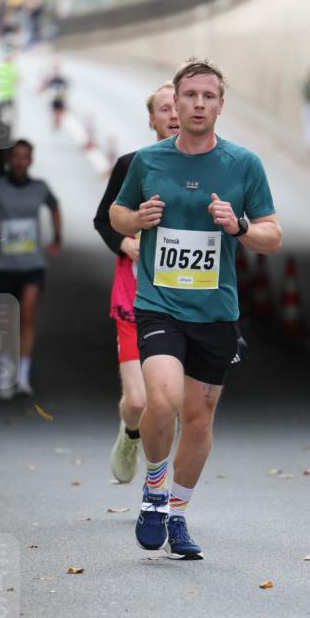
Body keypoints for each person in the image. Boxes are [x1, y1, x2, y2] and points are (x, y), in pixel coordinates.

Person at [109, 59, 282, 559]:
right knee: (160, 401)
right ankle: (154, 492)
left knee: (199, 418)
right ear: (176, 104)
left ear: (221, 106)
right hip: (159, 303)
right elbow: (117, 213)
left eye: (209, 96)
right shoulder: (148, 161)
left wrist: (239, 227)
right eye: (190, 96)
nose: (199, 104)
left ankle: (178, 515)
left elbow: (272, 235)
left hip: (216, 312)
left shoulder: (243, 164)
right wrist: (137, 217)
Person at [94, 82, 180, 484]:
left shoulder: (216, 165)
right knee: (138, 400)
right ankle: (130, 433)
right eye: (165, 108)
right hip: (136, 296)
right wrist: (126, 242)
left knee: (170, 401)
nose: (174, 114)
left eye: (178, 106)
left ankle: (158, 482)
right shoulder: (133, 164)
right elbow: (103, 219)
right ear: (152, 119)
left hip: (185, 300)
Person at [0, 139, 61, 399]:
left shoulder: (40, 188)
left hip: (32, 264)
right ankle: (4, 369)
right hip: (3, 265)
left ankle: (23, 375)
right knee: (6, 320)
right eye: (16, 156)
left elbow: (54, 207)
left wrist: (58, 237)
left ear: (31, 160)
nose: (20, 161)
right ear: (9, 159)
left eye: (25, 157)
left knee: (28, 314)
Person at [39, 61, 69, 129]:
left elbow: (66, 89)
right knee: (56, 112)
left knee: (60, 112)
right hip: (55, 99)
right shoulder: (51, 79)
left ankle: (58, 120)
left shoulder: (62, 79)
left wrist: (65, 95)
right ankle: (56, 121)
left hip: (60, 99)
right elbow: (45, 86)